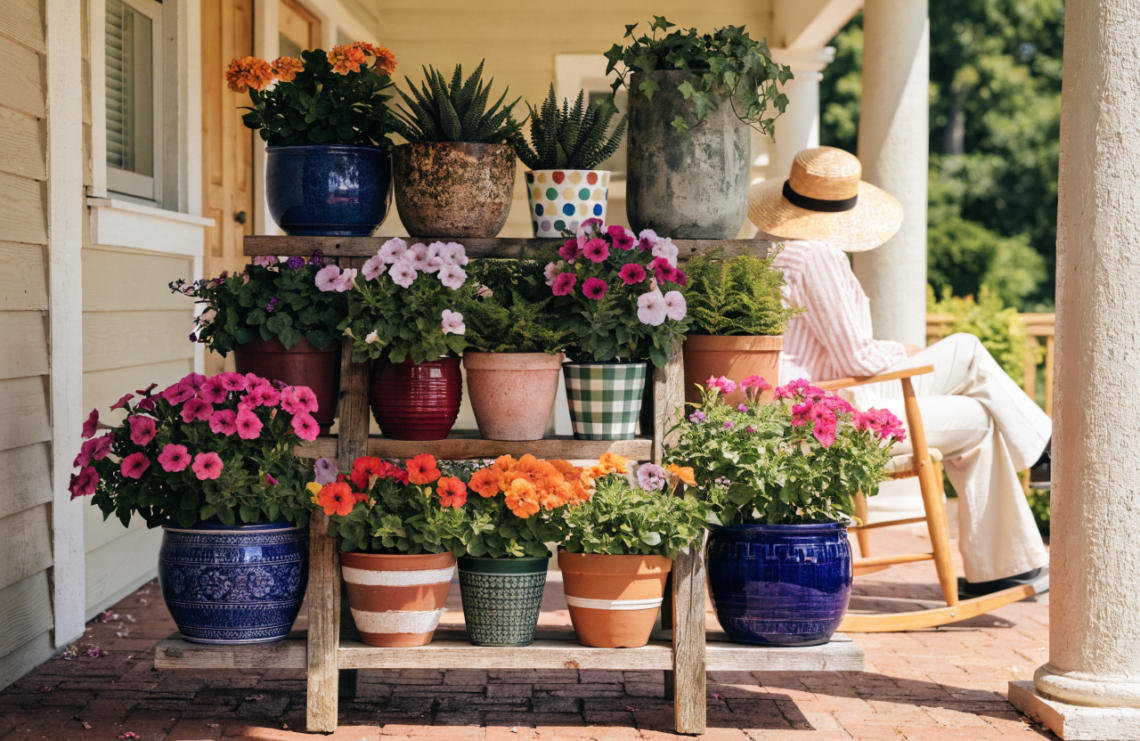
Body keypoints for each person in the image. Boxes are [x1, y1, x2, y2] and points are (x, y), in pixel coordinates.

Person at [748, 146, 1051, 598]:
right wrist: (906, 350)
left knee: (972, 380)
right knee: (976, 400)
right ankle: (1031, 496)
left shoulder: (760, 246)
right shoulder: (816, 256)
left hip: (801, 402)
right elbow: (857, 359)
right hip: (832, 411)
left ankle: (1030, 496)